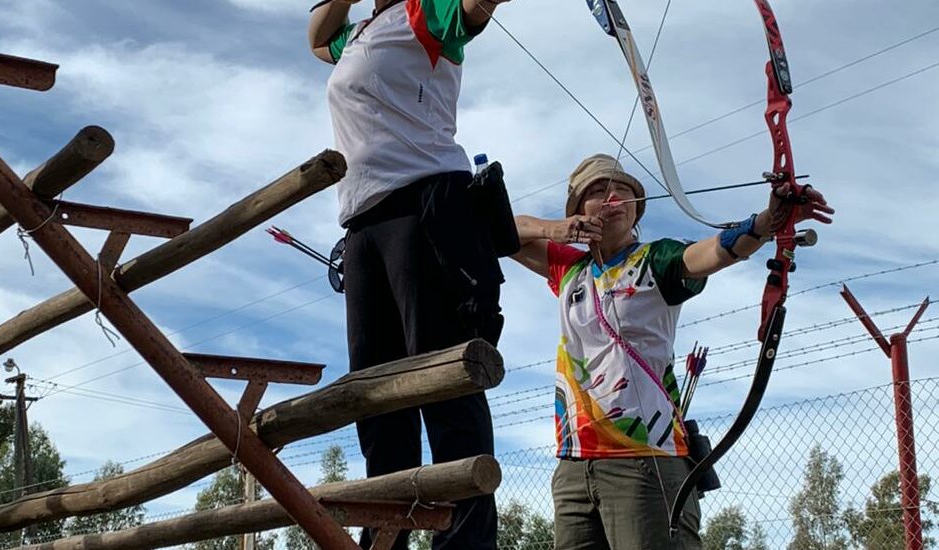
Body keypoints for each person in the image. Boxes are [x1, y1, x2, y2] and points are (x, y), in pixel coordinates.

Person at [511, 154, 834, 549]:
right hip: (574, 465)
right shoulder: (569, 270)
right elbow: (497, 231)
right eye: (596, 191)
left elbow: (710, 253)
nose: (610, 197)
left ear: (636, 208)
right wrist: (552, 229)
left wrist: (766, 223)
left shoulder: (656, 259)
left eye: (621, 190)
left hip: (645, 461)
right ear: (578, 211)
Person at [308, 0, 513, 548]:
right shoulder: (356, 33)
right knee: (376, 400)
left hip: (426, 208)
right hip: (363, 224)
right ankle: (385, 538)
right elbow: (315, 37)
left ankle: (466, 543)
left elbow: (475, 6)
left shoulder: (426, 12)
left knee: (443, 384)